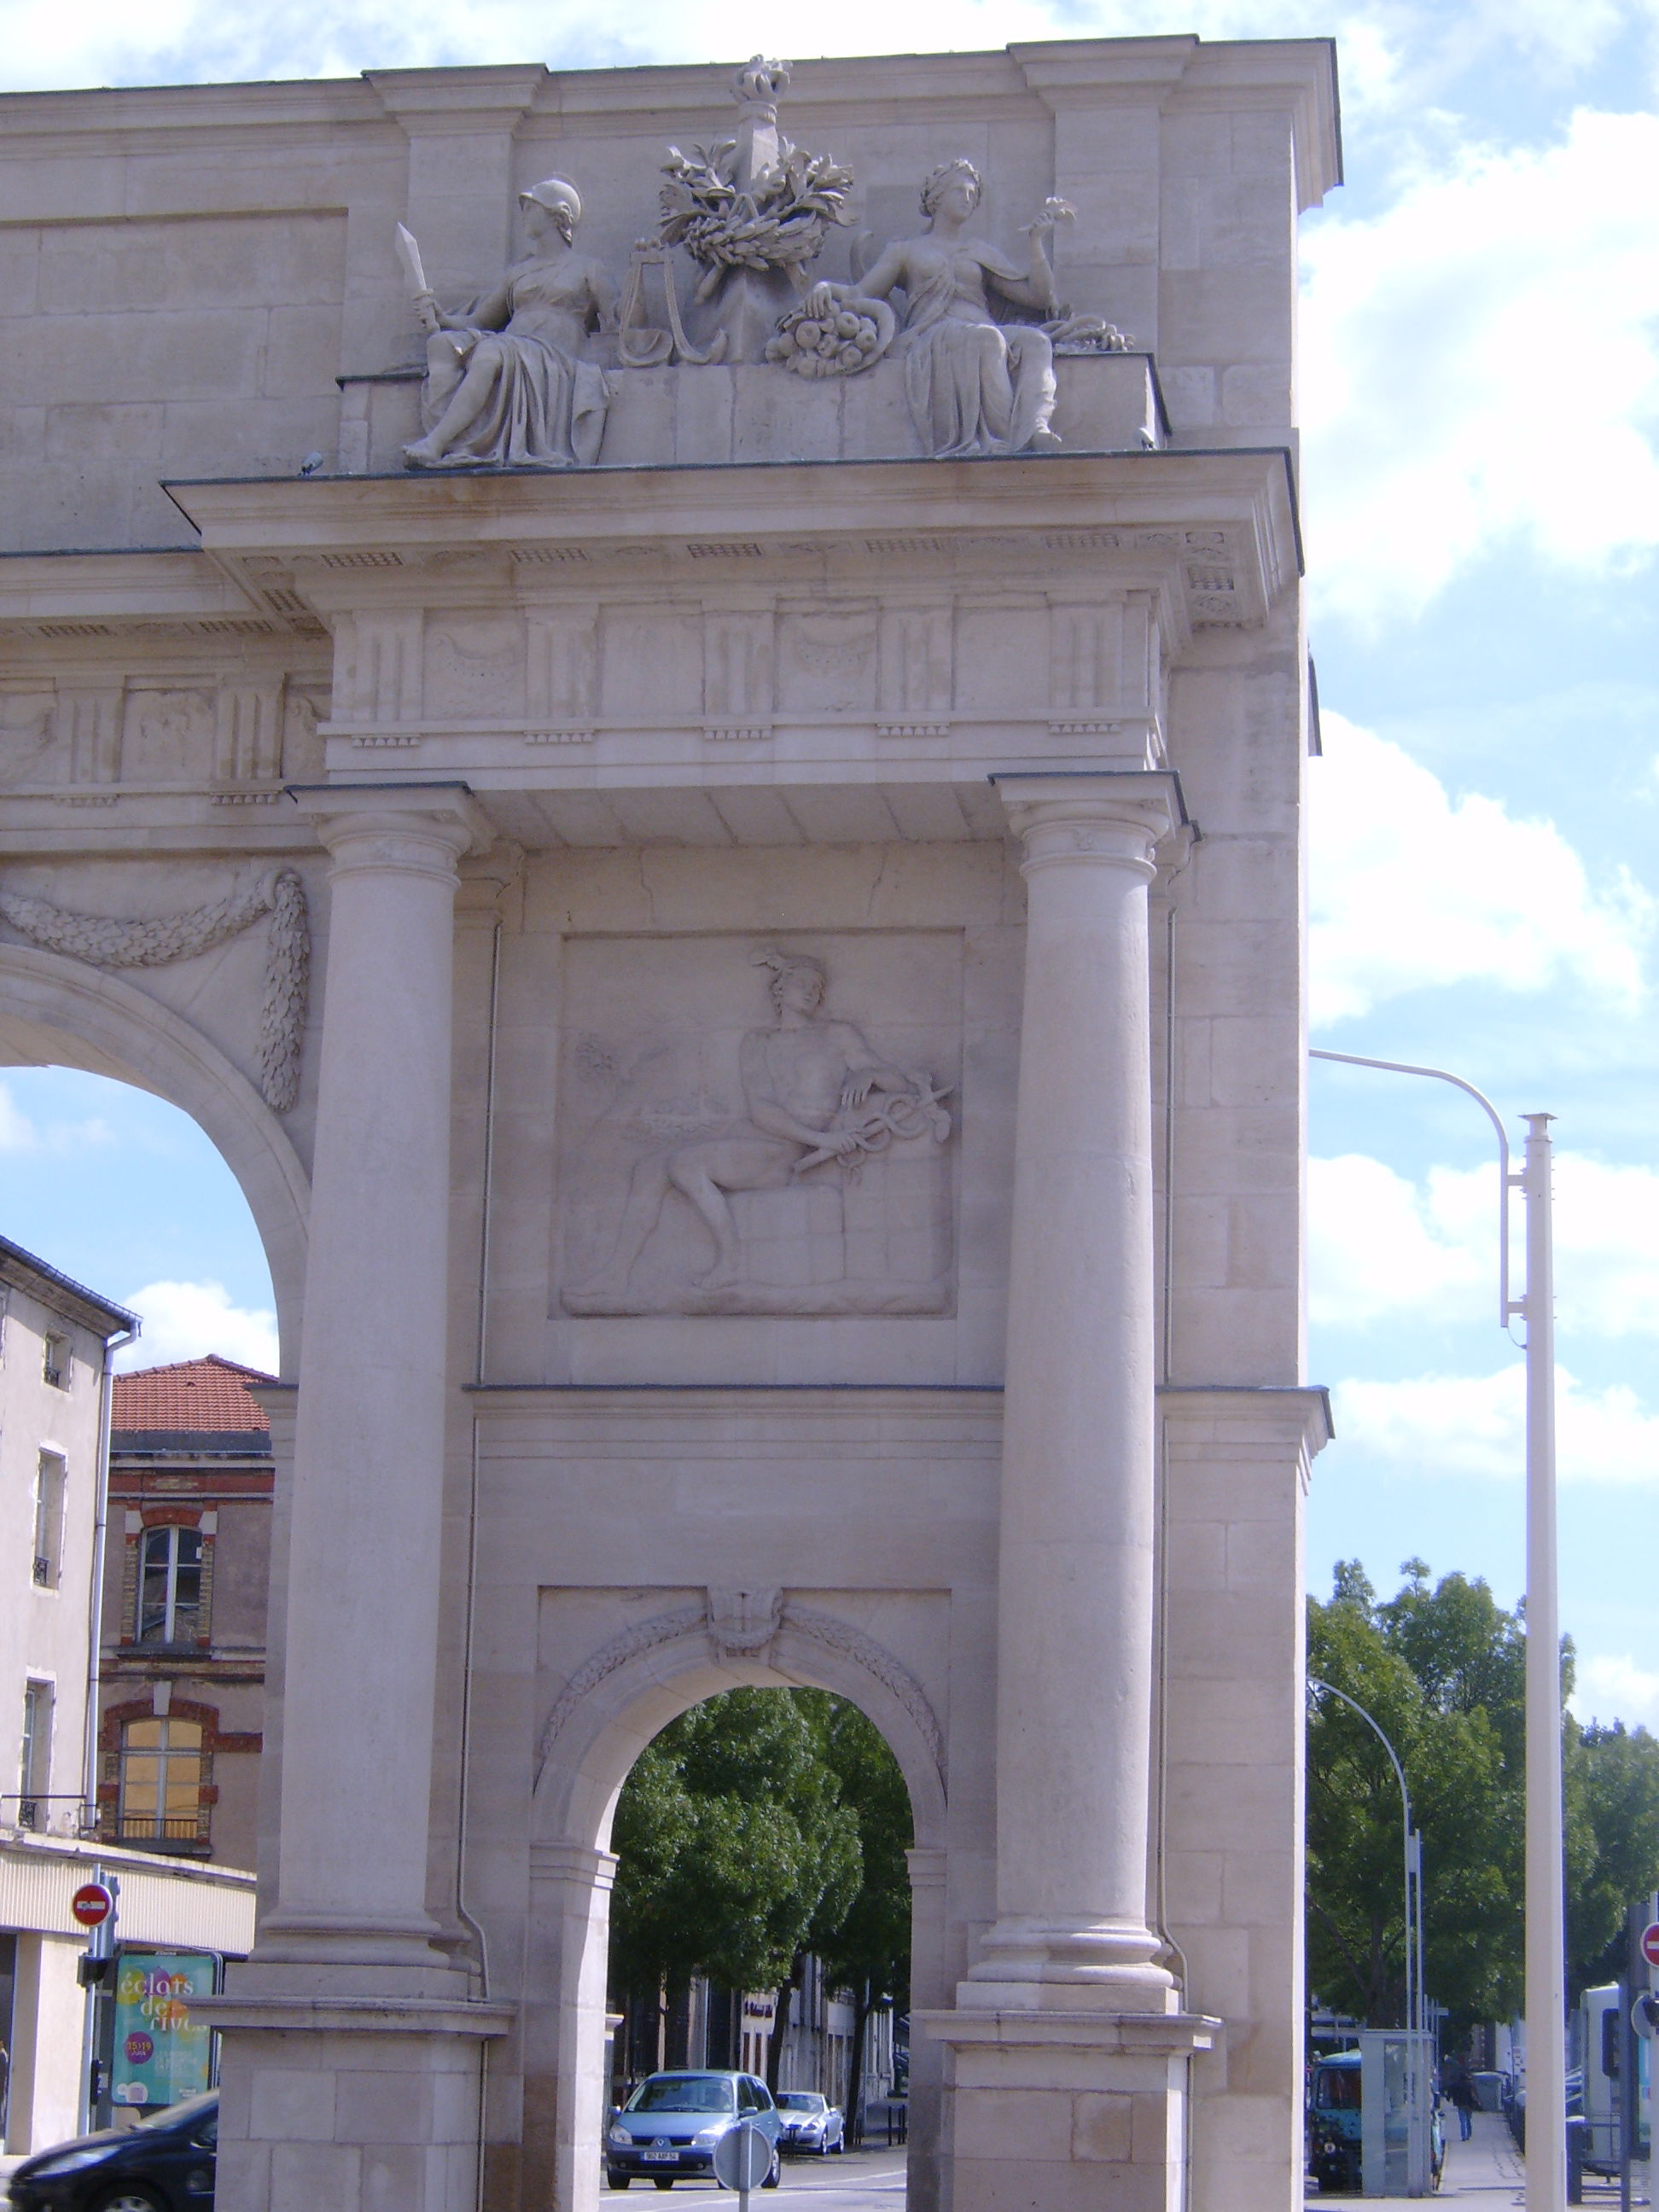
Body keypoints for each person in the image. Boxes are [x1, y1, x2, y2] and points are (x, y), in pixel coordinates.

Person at [566, 951, 923, 1302]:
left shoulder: (837, 1035)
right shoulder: (758, 1042)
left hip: (783, 1152)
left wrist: (870, 1073)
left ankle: (732, 1260)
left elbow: (900, 1084)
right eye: (802, 983)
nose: (813, 991)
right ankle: (615, 1273)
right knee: (649, 1167)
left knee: (686, 1164)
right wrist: (824, 1138)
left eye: (818, 986)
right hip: (758, 1138)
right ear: (780, 989)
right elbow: (762, 1110)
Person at [802, 156, 1066, 457]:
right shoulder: (906, 250)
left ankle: (1033, 429)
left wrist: (1035, 244)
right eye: (960, 191)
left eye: (973, 195)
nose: (968, 199)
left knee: (1037, 342)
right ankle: (1002, 441)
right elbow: (861, 293)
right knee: (986, 339)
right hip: (935, 334)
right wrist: (826, 288)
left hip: (981, 328)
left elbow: (1038, 297)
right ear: (937, 196)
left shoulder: (979, 251)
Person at [403, 176, 615, 469]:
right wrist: (442, 318)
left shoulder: (587, 267)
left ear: (557, 214)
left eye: (531, 208)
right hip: (514, 345)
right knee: (441, 344)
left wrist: (647, 268)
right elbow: (480, 320)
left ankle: (436, 442)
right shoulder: (518, 272)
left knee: (491, 353)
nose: (524, 215)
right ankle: (458, 441)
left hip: (554, 353)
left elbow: (620, 321)